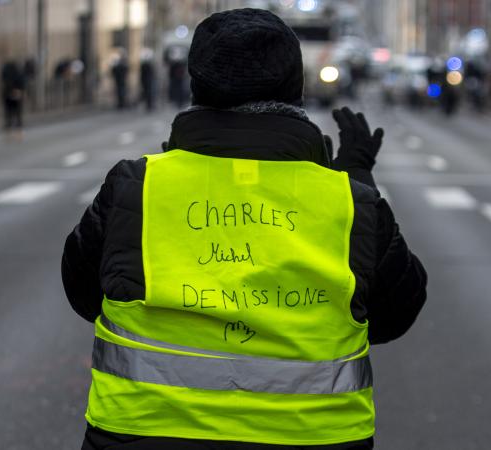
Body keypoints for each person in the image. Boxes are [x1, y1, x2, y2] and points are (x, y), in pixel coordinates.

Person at [62, 9, 428, 449]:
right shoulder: (349, 203)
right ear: (297, 91)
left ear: (196, 87)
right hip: (312, 439)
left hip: (141, 434)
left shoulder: (136, 188)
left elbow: (84, 294)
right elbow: (394, 315)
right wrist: (359, 184)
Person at [1, 61, 25, 133]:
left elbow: (4, 80)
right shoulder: (18, 72)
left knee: (8, 109)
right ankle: (18, 124)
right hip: (16, 92)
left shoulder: (6, 72)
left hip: (8, 93)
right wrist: (20, 90)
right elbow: (22, 82)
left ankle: (9, 123)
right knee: (17, 110)